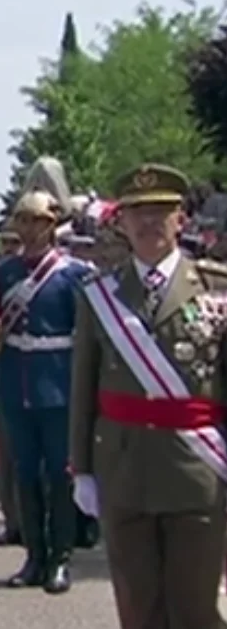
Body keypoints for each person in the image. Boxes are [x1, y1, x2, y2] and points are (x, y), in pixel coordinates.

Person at [70, 163, 227, 629]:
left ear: (182, 219)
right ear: (120, 221)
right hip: (124, 469)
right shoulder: (99, 294)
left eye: (161, 211)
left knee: (195, 609)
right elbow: (84, 387)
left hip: (197, 472)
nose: (149, 222)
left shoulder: (216, 286)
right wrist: (82, 469)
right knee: (138, 609)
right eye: (137, 211)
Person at [0, 190, 90, 594]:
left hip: (59, 383)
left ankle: (60, 558)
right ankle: (33, 555)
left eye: (36, 221)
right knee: (25, 473)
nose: (28, 229)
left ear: (52, 225)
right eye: (22, 220)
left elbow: (84, 334)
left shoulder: (72, 274)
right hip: (17, 382)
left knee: (59, 474)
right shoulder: (2, 273)